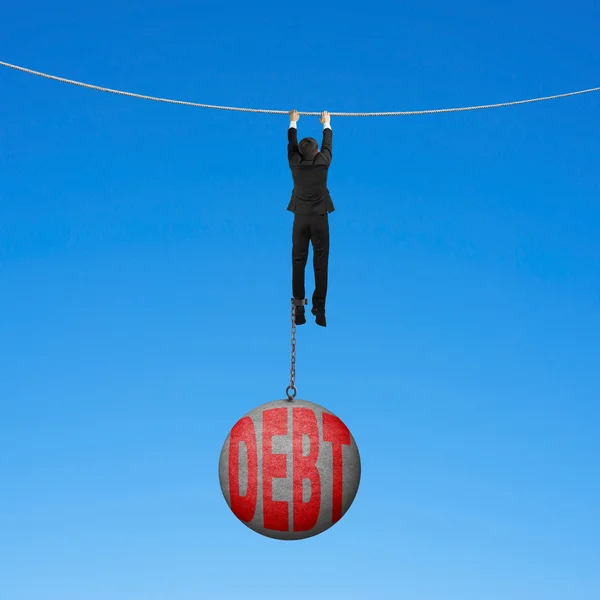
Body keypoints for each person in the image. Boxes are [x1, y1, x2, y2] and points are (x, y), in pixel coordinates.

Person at [287, 108, 334, 327]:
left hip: (300, 219)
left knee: (298, 262)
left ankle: (299, 308)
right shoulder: (322, 163)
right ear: (316, 154)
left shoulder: (294, 164)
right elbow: (328, 146)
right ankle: (320, 309)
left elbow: (291, 147)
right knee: (320, 263)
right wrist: (326, 123)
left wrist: (293, 122)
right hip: (319, 219)